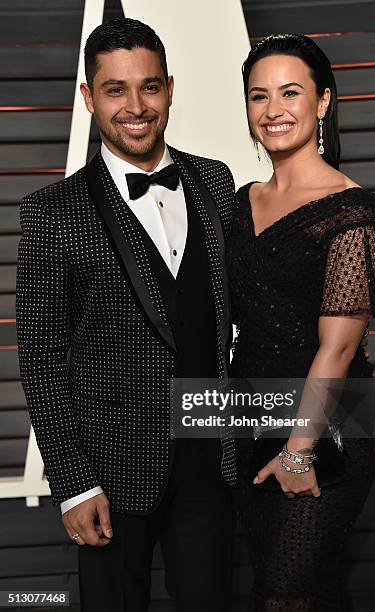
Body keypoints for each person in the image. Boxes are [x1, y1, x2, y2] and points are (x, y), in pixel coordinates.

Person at [16, 17, 237, 612]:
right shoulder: (51, 213)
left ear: (169, 87)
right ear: (89, 97)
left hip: (209, 460)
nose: (135, 107)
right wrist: (73, 483)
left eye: (148, 87)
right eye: (115, 90)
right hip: (109, 471)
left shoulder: (215, 181)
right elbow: (39, 359)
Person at [227, 34, 375, 611]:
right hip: (250, 413)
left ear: (322, 102)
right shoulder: (238, 202)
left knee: (287, 592)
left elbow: (339, 350)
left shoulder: (352, 211)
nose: (273, 110)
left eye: (290, 93)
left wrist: (299, 451)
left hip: (329, 421)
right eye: (258, 96)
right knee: (303, 587)